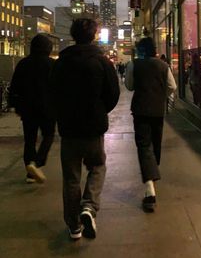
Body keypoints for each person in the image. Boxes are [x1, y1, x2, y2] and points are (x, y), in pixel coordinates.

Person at [50, 18, 120, 241]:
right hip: (93, 127)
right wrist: (100, 110)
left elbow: (52, 94)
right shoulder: (101, 61)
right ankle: (89, 206)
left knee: (71, 177)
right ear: (94, 35)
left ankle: (74, 226)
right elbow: (113, 94)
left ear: (72, 34)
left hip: (69, 128)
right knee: (98, 166)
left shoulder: (61, 62)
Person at [125, 37, 176, 212]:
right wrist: (161, 95)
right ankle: (152, 175)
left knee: (143, 145)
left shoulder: (134, 65)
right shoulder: (163, 66)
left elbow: (129, 86)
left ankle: (149, 187)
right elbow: (172, 86)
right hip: (157, 110)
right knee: (155, 143)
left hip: (140, 110)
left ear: (141, 50)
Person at [9, 34, 55, 184]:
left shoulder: (23, 64)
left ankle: (30, 171)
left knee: (29, 139)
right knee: (48, 135)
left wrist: (15, 105)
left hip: (27, 108)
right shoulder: (51, 64)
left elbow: (14, 86)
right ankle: (37, 162)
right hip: (47, 108)